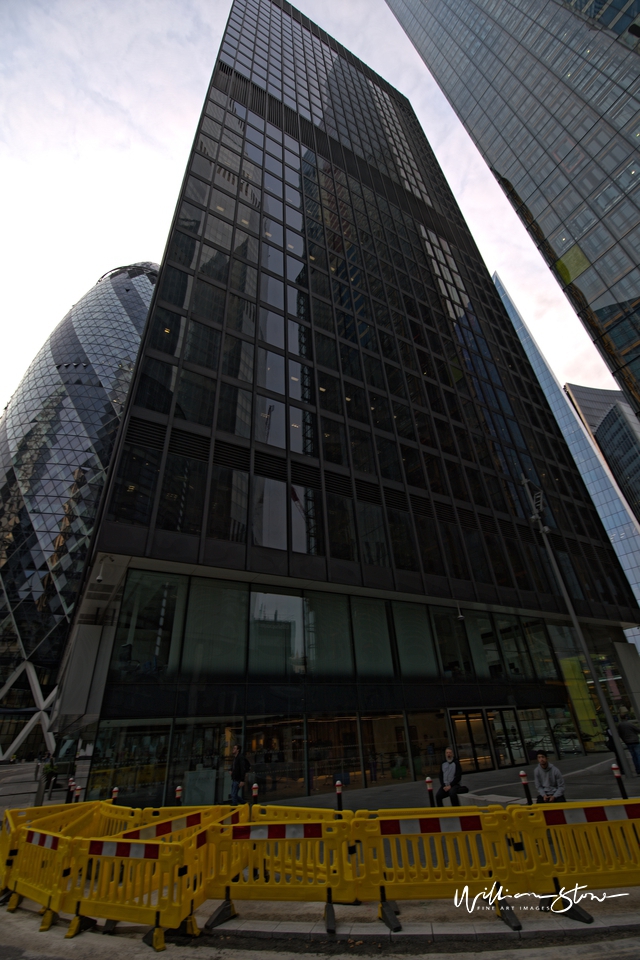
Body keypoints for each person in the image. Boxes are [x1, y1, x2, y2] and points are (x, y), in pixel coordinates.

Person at [617, 708, 640, 774]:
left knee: (633, 756)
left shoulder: (620, 725)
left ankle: (637, 769)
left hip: (628, 742)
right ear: (626, 718)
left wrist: (624, 740)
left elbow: (620, 734)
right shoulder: (629, 724)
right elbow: (637, 730)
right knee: (638, 755)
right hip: (635, 741)